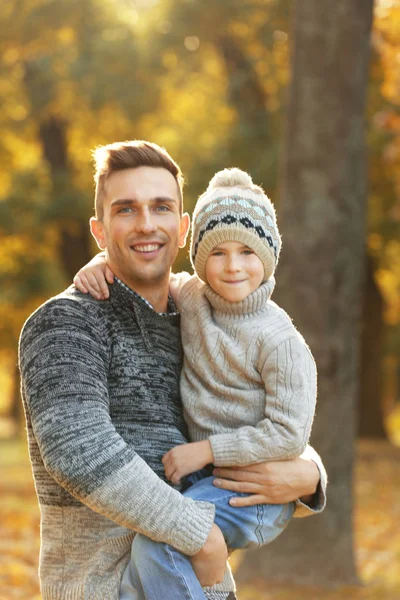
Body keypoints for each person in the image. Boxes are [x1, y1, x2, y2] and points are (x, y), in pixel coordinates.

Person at [19, 140, 326, 600]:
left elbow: (258, 414)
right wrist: (199, 534)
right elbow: (79, 453)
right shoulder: (67, 323)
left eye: (160, 207)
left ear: (182, 229)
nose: (146, 224)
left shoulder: (198, 321)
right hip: (107, 588)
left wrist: (309, 473)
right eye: (125, 210)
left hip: (196, 586)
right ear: (99, 230)